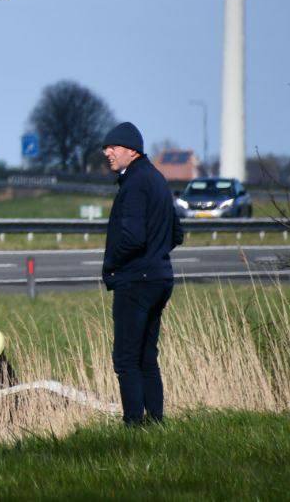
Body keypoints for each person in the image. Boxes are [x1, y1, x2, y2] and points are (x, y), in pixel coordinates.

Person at [101, 121, 184, 426]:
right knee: (147, 357)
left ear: (131, 150)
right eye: (105, 148)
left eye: (114, 147)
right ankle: (157, 422)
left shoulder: (135, 183)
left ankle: (134, 424)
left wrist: (111, 262)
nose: (107, 152)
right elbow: (177, 233)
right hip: (160, 278)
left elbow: (133, 237)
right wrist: (155, 256)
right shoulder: (157, 179)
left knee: (126, 359)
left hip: (136, 281)